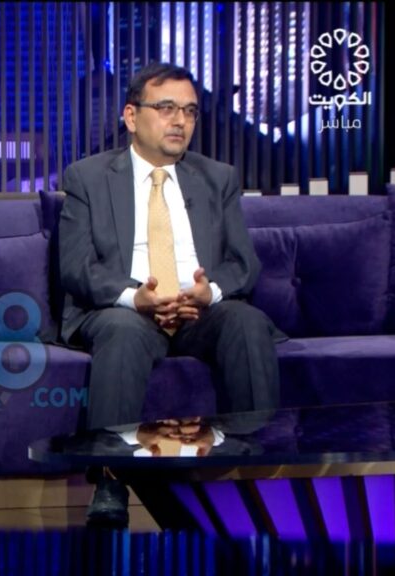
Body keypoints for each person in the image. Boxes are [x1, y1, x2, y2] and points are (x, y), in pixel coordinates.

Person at [58, 62, 280, 527]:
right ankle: (111, 481)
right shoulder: (87, 177)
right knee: (120, 331)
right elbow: (76, 266)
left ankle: (259, 474)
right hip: (128, 310)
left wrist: (208, 292)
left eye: (190, 111)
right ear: (131, 116)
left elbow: (243, 264)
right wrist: (134, 297)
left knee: (246, 321)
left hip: (198, 311)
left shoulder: (218, 177)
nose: (180, 121)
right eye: (166, 108)